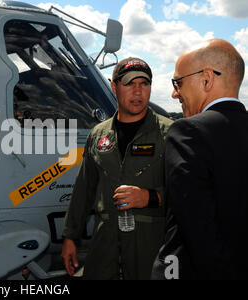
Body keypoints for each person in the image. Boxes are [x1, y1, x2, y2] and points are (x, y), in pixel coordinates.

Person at [61, 57, 173, 280]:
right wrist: (70, 237)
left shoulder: (170, 133)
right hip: (105, 247)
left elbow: (190, 195)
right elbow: (84, 190)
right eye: (130, 83)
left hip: (152, 249)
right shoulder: (99, 134)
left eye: (144, 84)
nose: (138, 91)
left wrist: (149, 197)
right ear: (114, 87)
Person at [151, 39, 248, 280]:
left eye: (178, 82)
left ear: (206, 79)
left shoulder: (187, 132)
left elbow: (197, 229)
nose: (174, 93)